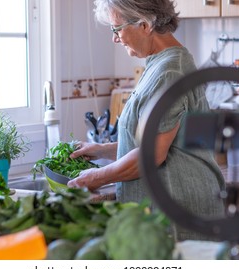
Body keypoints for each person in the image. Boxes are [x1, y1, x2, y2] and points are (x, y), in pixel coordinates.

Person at [67, 0, 225, 241]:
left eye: (116, 29)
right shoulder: (161, 64)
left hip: (179, 208)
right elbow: (159, 143)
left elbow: (151, 156)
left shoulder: (170, 71)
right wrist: (103, 150)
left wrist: (96, 177)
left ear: (144, 24)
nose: (115, 39)